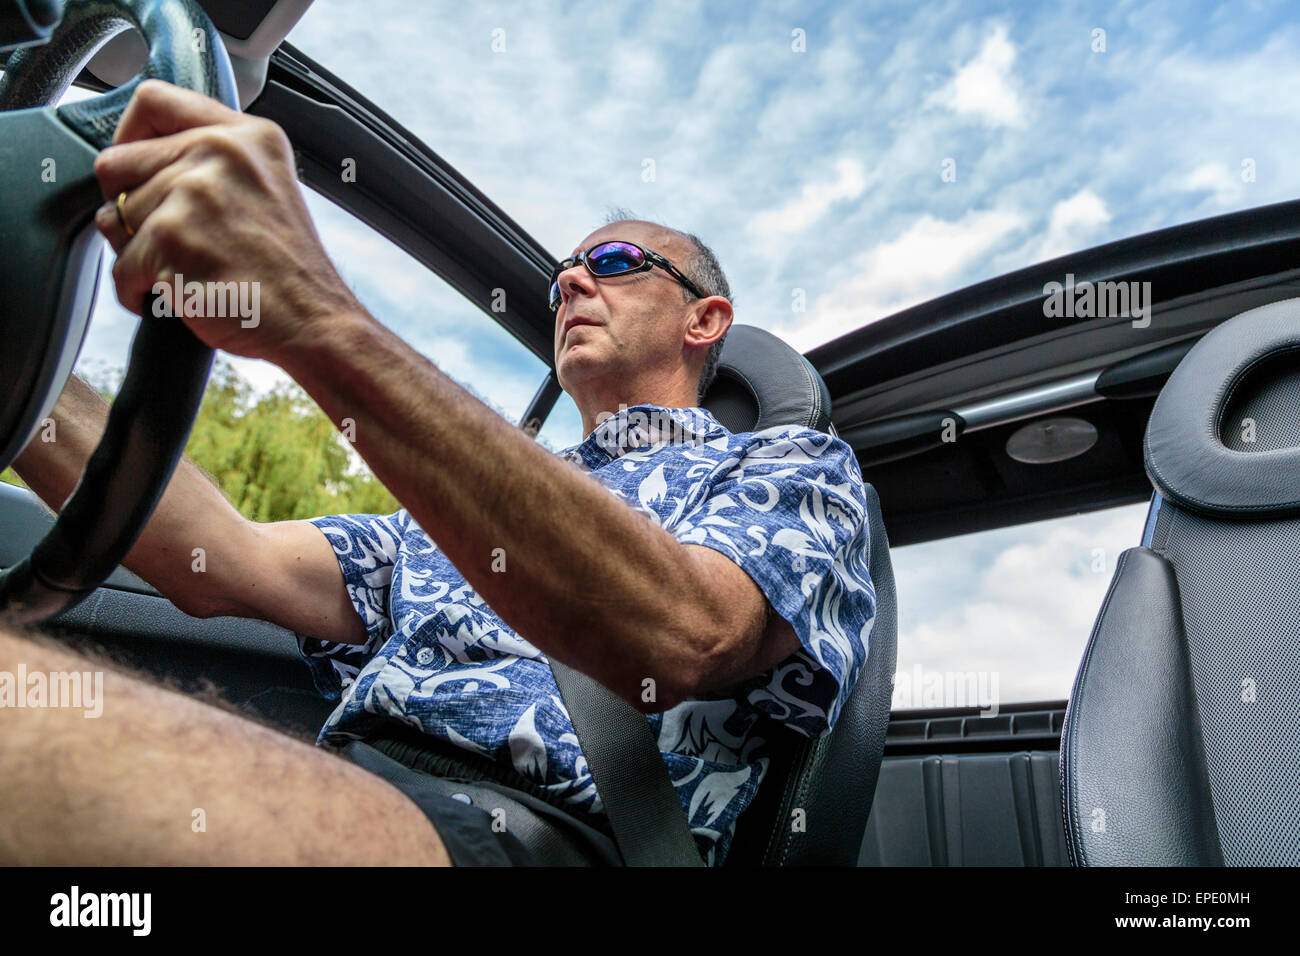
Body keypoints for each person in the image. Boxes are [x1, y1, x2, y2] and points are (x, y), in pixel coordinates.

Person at [1, 79, 876, 866]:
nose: (572, 279)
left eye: (613, 263)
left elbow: (690, 634)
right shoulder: (461, 508)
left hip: (542, 835)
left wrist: (313, 314)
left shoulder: (789, 465)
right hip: (352, 782)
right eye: (564, 273)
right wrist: (19, 354)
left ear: (704, 319)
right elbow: (218, 559)